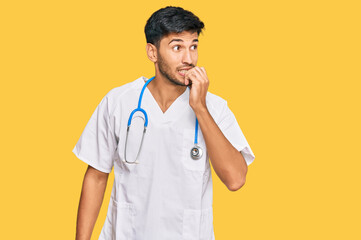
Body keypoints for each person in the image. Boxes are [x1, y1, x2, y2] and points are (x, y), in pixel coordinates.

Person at [73, 6, 255, 240]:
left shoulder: (215, 108)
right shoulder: (118, 101)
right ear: (152, 52)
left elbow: (236, 179)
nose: (189, 59)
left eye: (194, 46)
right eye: (177, 47)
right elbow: (97, 175)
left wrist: (200, 107)